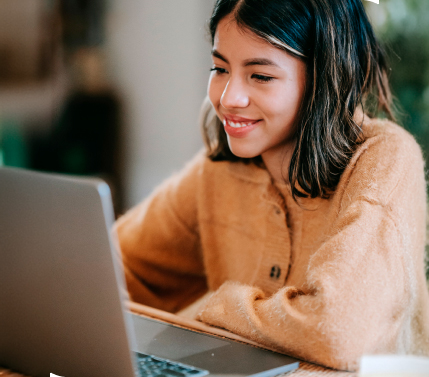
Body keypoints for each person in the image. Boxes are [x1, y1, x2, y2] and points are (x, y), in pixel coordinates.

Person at [114, 0, 429, 372]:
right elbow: (109, 263)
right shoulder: (218, 173)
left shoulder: (385, 158)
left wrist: (212, 308)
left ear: (325, 77)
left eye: (260, 76)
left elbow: (337, 331)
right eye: (219, 68)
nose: (229, 98)